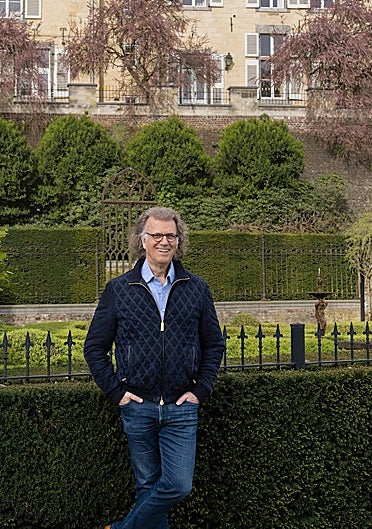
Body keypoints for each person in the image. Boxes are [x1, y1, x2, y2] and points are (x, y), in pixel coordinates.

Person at [84, 206, 225, 529]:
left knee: (177, 485)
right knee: (147, 486)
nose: (165, 241)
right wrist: (116, 392)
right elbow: (94, 347)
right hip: (137, 405)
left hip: (180, 407)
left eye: (171, 235)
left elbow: (214, 344)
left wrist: (200, 389)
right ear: (142, 240)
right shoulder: (119, 290)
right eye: (157, 235)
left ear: (179, 241)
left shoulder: (196, 288)